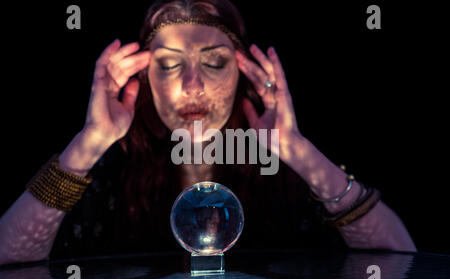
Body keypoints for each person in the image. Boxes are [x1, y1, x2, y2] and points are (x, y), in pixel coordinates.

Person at [0, 0, 416, 265]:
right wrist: (87, 144)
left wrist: (299, 152)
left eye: (214, 62)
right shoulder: (107, 170)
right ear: (144, 79)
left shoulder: (284, 171)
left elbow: (402, 263)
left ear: (243, 75)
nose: (193, 85)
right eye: (169, 64)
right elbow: (8, 263)